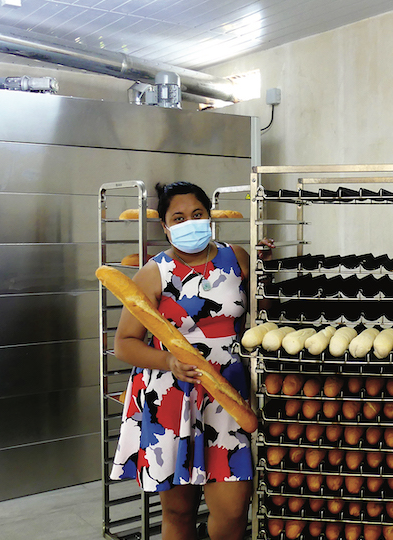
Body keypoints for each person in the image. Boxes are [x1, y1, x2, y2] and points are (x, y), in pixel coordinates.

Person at [109, 181, 273, 540]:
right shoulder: (154, 272)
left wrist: (268, 269)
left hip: (228, 393)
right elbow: (124, 344)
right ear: (166, 227)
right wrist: (169, 362)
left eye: (197, 214)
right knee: (179, 512)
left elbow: (255, 318)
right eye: (179, 217)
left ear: (209, 217)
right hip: (173, 397)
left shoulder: (237, 258)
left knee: (232, 513)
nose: (190, 222)